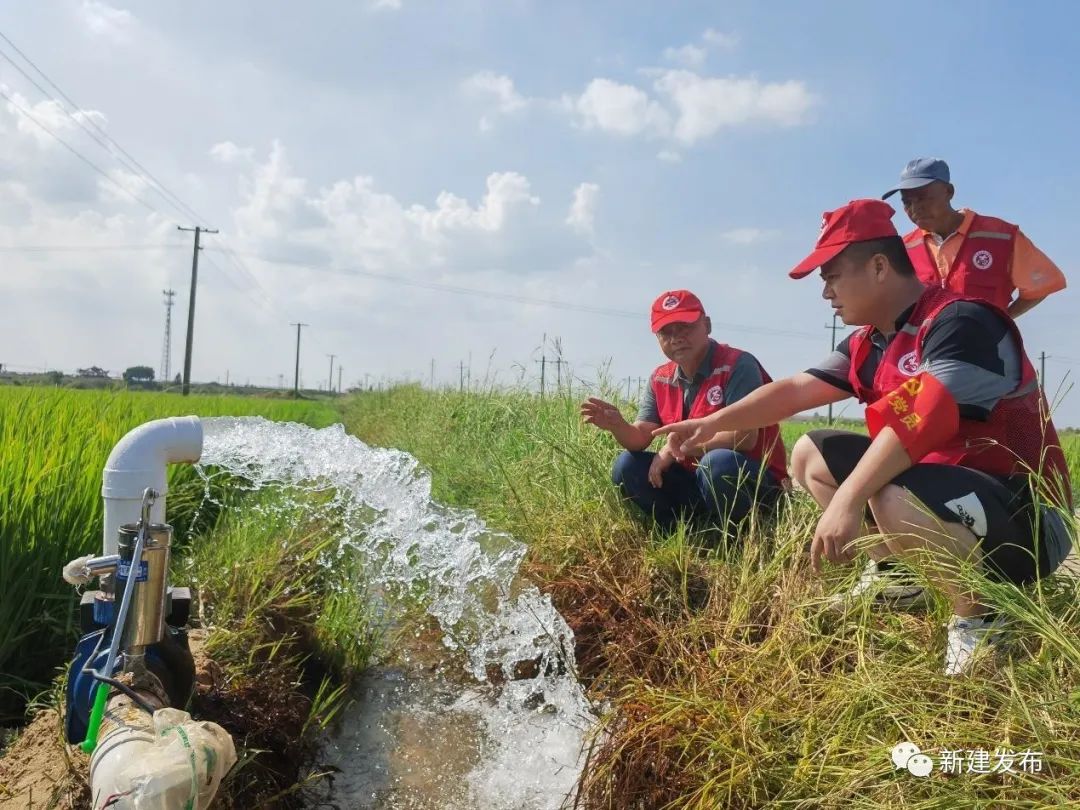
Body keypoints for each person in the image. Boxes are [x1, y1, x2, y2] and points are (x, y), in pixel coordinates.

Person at [655, 200, 1074, 676]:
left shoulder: (960, 322)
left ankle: (983, 617)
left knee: (889, 493)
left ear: (878, 267)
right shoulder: (871, 340)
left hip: (1031, 517)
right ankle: (899, 578)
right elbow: (795, 390)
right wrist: (710, 423)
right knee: (811, 454)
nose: (826, 293)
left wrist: (848, 500)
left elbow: (921, 419)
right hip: (948, 497)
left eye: (832, 277)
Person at [581, 289, 787, 536]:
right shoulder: (660, 378)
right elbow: (641, 437)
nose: (676, 338)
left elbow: (744, 437)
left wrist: (676, 449)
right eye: (666, 332)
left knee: (717, 463)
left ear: (707, 325)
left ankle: (741, 536)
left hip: (751, 481)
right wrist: (618, 425)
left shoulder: (737, 365)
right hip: (698, 480)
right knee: (627, 465)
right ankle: (682, 533)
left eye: (685, 327)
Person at [883, 158, 1066, 317]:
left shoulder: (1001, 237)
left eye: (923, 197)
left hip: (985, 345)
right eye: (907, 202)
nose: (915, 208)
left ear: (949, 191)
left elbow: (1041, 285)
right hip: (924, 346)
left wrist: (1003, 322)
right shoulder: (904, 249)